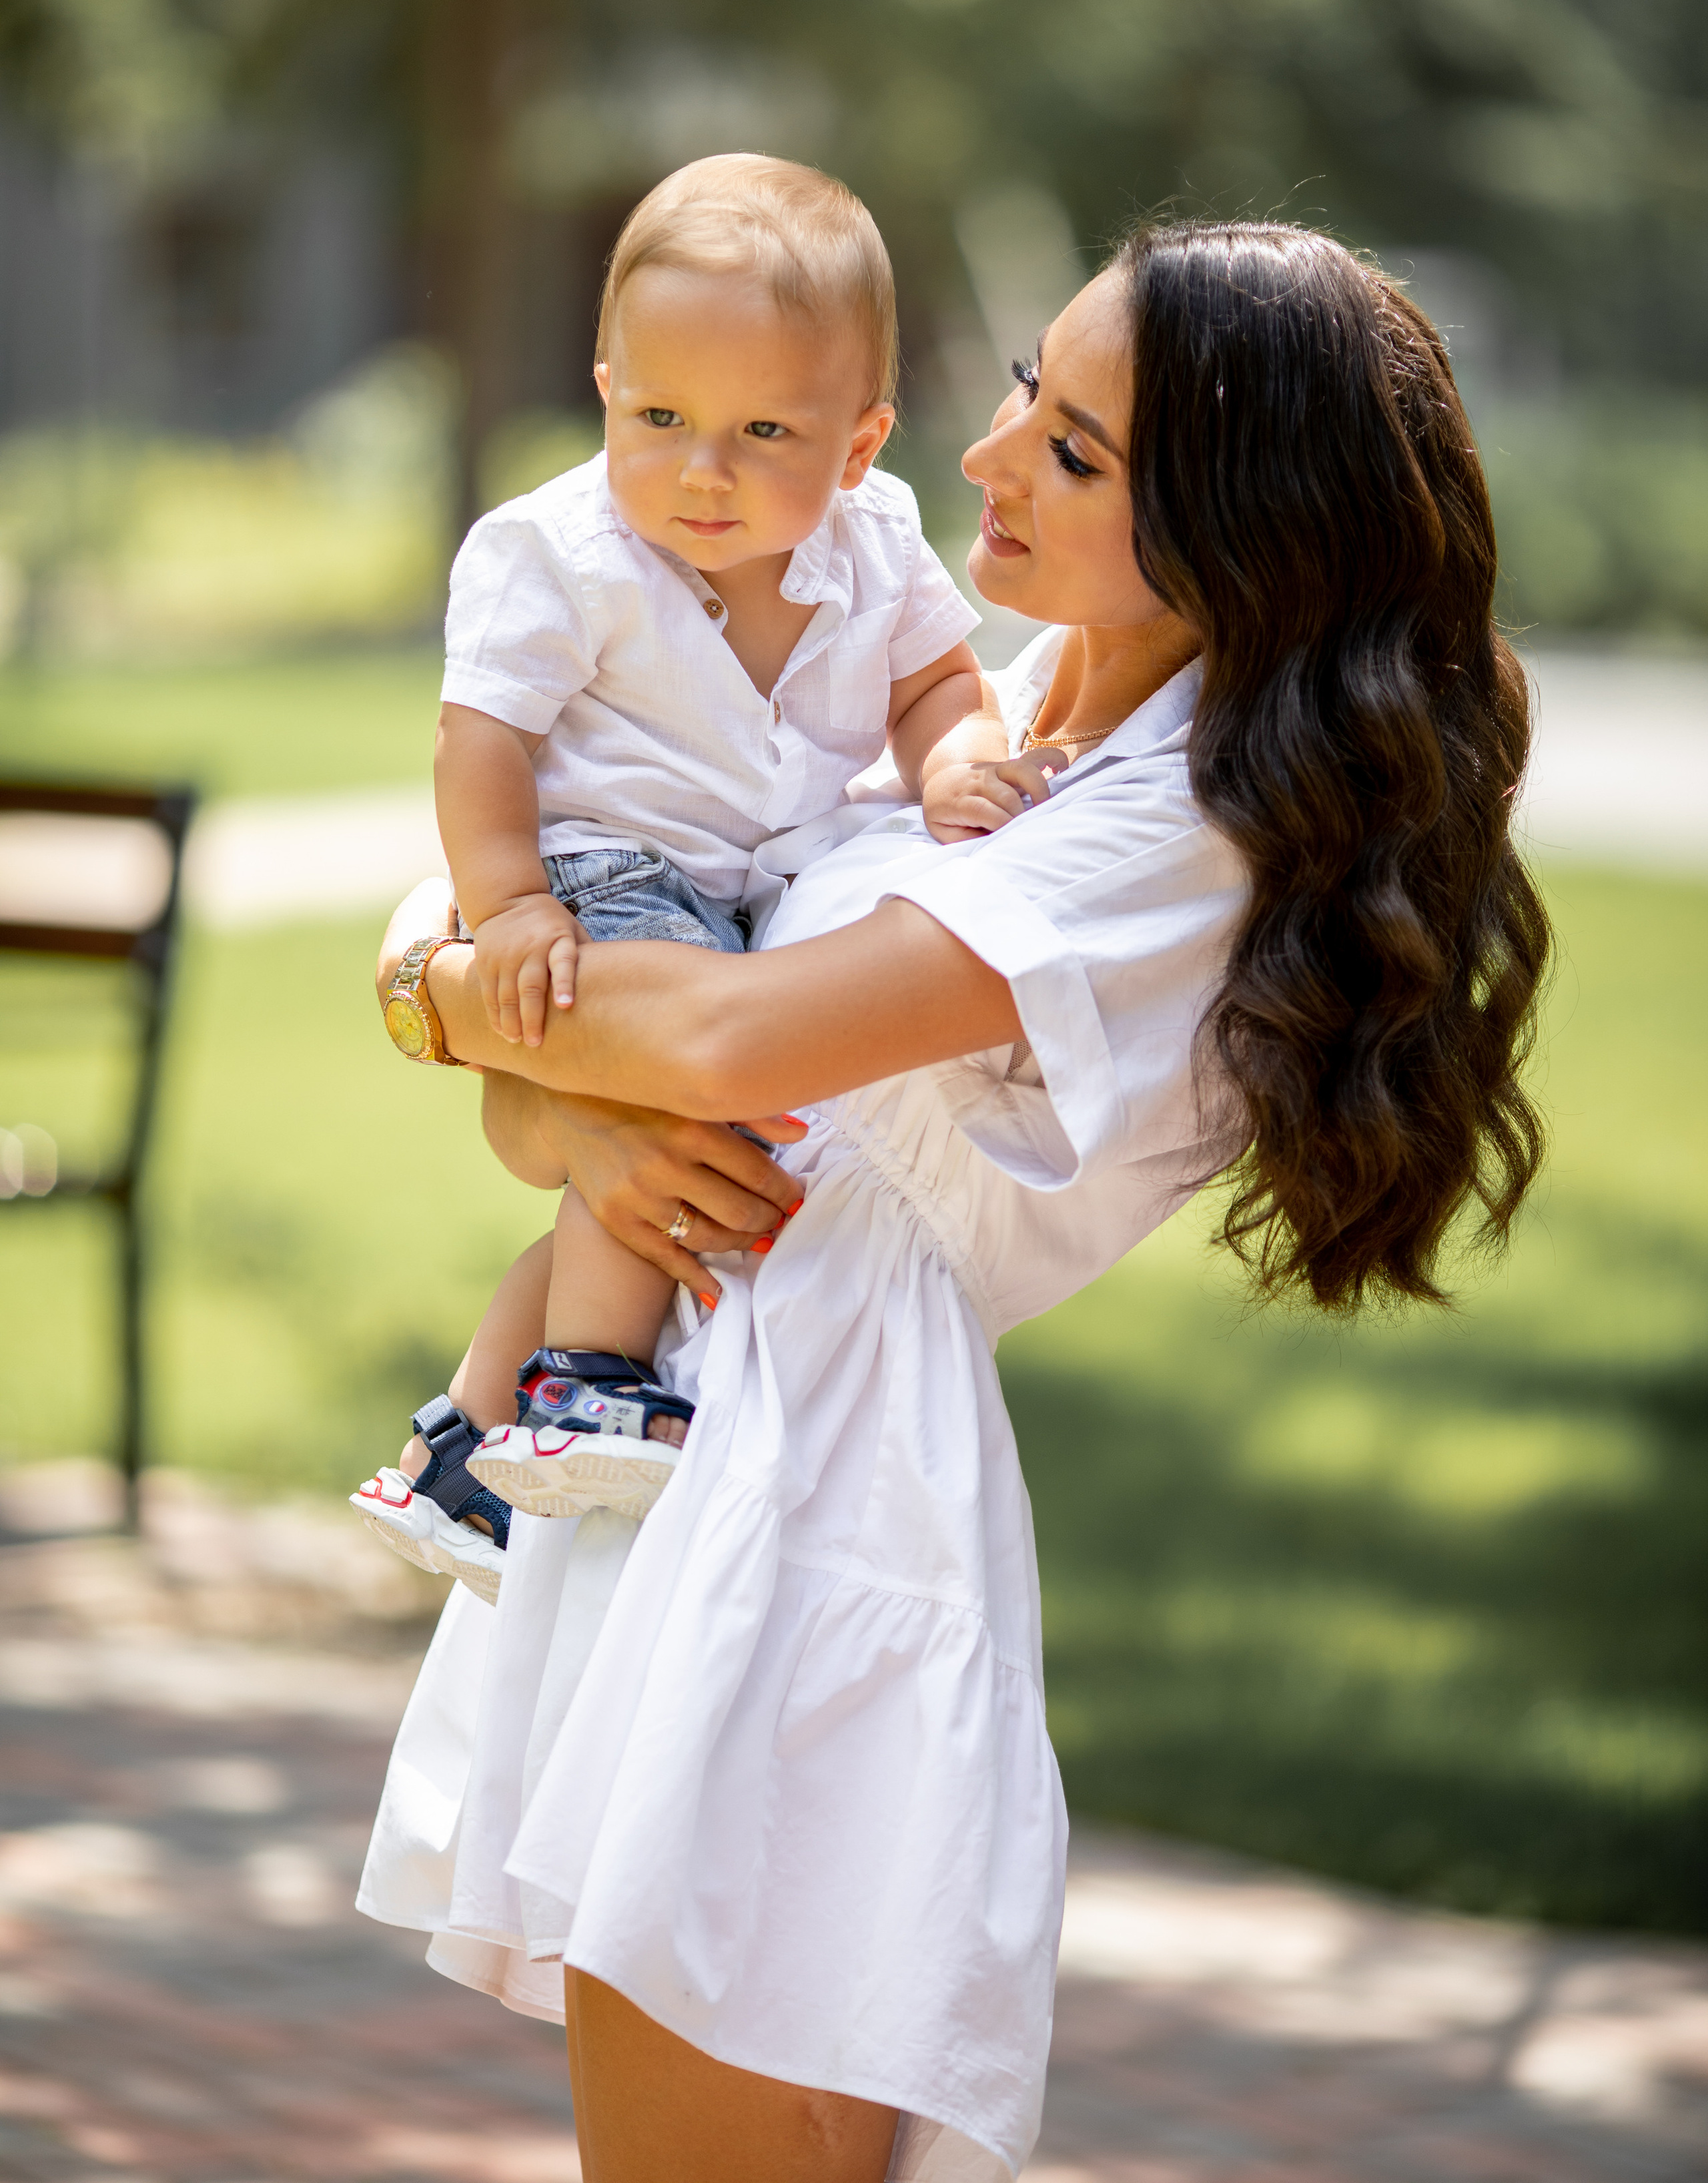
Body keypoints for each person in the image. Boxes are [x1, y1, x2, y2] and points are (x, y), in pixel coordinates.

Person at [358, 222, 1550, 2183]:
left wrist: (474, 998)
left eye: (1077, 452)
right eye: (1024, 390)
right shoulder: (1000, 712)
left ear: (1242, 538)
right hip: (684, 1428)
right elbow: (591, 1038)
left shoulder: (1185, 829)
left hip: (816, 1504)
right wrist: (566, 1115)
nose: (987, 462)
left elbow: (733, 1043)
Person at [353, 154, 1027, 1598]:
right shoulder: (557, 553)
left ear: (856, 446)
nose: (698, 469)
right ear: (605, 386)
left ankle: (460, 1448)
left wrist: (954, 753)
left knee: (667, 1159)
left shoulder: (880, 539)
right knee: (679, 1091)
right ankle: (587, 1385)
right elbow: (478, 748)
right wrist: (514, 899)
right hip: (598, 868)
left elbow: (935, 679)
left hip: (759, 880)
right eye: (657, 417)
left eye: (760, 429)